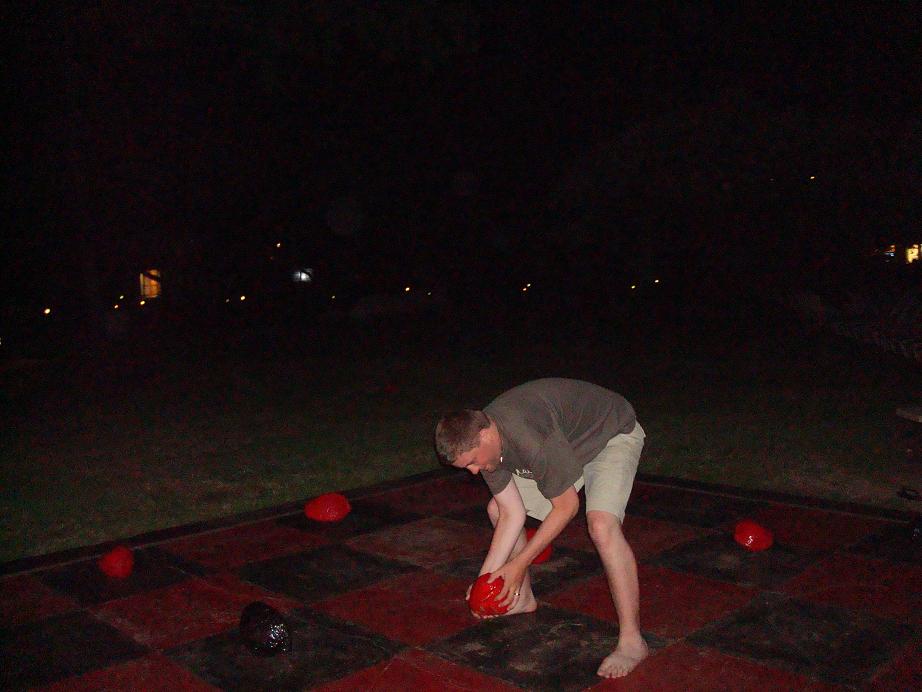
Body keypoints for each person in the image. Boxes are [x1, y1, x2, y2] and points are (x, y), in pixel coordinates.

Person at [435, 378, 647, 679]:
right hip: (567, 447)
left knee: (602, 525)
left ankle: (632, 642)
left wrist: (518, 564)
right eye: (466, 467)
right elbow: (510, 513)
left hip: (610, 435)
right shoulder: (487, 447)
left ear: (485, 435)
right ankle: (522, 598)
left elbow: (567, 507)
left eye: (472, 462)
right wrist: (487, 578)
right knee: (496, 508)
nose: (472, 471)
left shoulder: (528, 437)